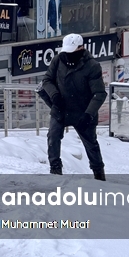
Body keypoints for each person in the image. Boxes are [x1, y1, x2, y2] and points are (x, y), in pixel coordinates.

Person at [38, 33, 107, 180]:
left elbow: (99, 93)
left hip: (83, 111)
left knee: (91, 144)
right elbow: (47, 80)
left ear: (81, 48)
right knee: (53, 137)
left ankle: (99, 174)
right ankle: (55, 169)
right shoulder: (58, 60)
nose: (69, 55)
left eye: (72, 51)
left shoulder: (92, 66)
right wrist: (54, 95)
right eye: (67, 51)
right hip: (60, 107)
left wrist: (89, 114)